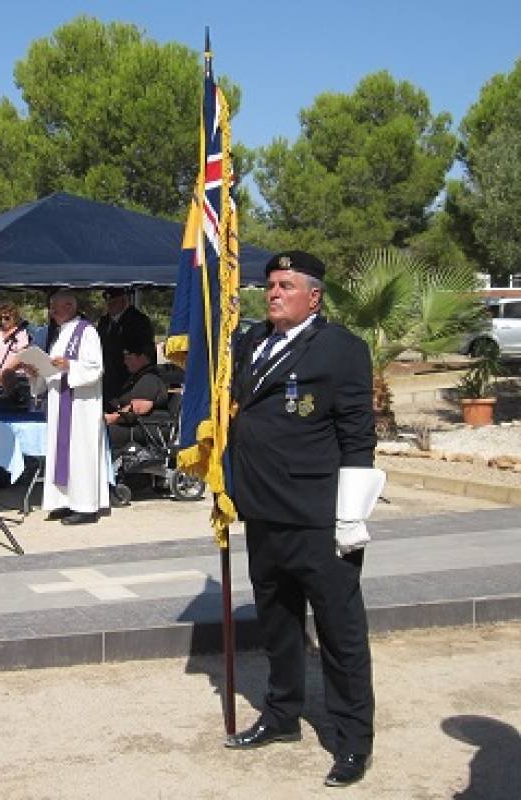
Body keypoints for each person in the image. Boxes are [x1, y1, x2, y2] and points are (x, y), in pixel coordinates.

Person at [225, 250, 377, 789]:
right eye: (269, 284)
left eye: (285, 285)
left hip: (319, 519)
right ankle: (282, 714)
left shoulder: (341, 350)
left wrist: (351, 516)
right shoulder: (250, 343)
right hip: (262, 513)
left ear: (313, 296)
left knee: (340, 633)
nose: (272, 292)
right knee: (279, 625)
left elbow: (358, 437)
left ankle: (352, 741)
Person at [20, 290, 109, 526]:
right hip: (61, 402)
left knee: (80, 454)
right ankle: (64, 501)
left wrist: (70, 365)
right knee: (62, 454)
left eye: (55, 307)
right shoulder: (60, 334)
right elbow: (52, 371)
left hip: (81, 406)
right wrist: (36, 373)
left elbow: (95, 367)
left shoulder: (87, 331)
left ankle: (85, 506)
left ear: (69, 305)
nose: (52, 312)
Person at [104, 336, 168, 451]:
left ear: (142, 357)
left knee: (97, 434)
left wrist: (110, 418)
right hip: (135, 426)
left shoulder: (149, 378)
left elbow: (139, 408)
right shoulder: (136, 377)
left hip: (144, 428)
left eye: (128, 358)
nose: (125, 362)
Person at [96, 287, 155, 405]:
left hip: (129, 376)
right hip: (108, 375)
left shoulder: (138, 320)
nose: (110, 306)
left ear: (124, 300)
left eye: (114, 302)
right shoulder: (104, 322)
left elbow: (144, 351)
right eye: (108, 303)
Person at [0, 301, 30, 391]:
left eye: (6, 318)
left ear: (14, 317)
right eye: (0, 318)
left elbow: (21, 357)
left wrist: (4, 373)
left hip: (14, 379)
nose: (3, 321)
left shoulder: (21, 333)